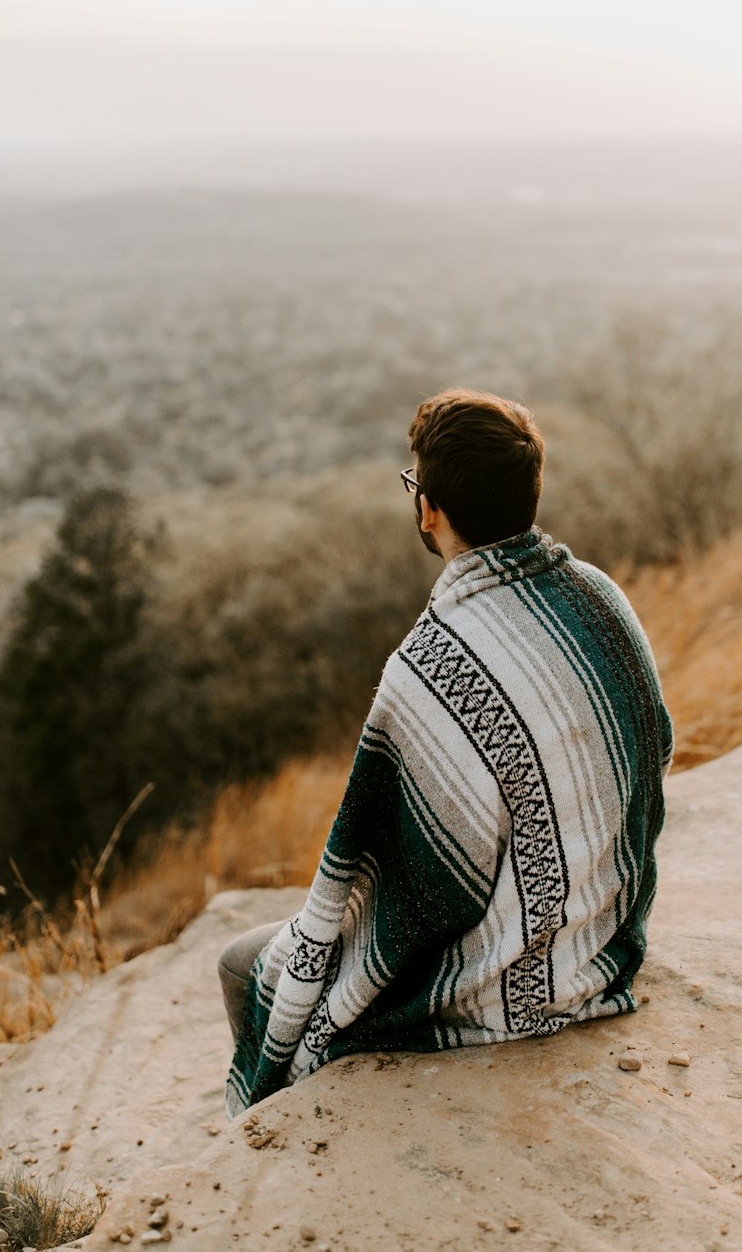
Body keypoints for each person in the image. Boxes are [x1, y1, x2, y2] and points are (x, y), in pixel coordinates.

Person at [221, 389, 673, 1118]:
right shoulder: (602, 596)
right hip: (607, 936)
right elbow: (655, 759)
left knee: (245, 964)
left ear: (429, 510)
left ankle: (263, 1129)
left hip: (508, 984)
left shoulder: (432, 667)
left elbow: (408, 886)